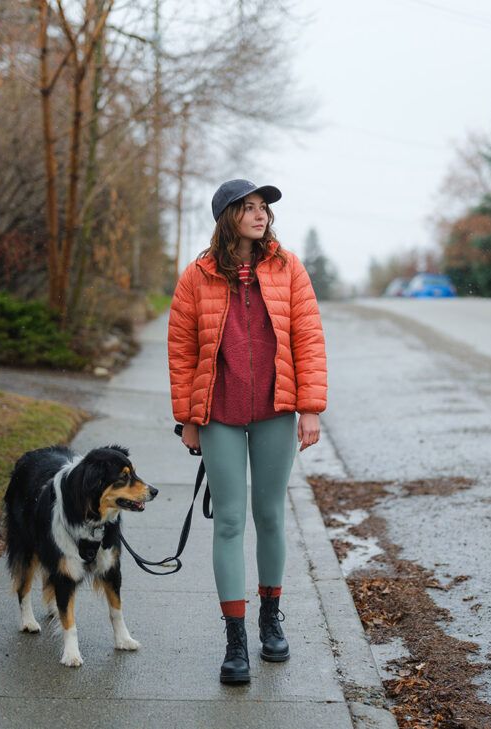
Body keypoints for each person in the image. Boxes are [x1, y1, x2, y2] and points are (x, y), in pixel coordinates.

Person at [167, 179, 327, 685]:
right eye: (250, 208)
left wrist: (311, 409)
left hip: (277, 410)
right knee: (230, 521)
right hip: (219, 413)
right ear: (227, 216)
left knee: (271, 515)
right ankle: (235, 640)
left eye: (264, 208)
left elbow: (308, 338)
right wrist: (188, 418)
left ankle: (269, 620)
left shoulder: (287, 267)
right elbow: (182, 350)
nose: (261, 216)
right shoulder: (196, 276)